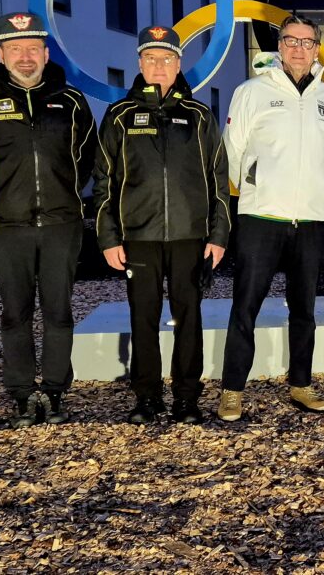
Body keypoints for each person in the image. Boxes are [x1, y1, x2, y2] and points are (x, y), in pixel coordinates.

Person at [0, 12, 97, 428]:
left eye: (33, 48)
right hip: (7, 226)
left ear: (46, 54)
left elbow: (85, 158)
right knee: (15, 313)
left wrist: (61, 192)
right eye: (15, 49)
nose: (25, 57)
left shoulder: (71, 102)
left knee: (58, 312)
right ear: (1, 54)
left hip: (61, 225)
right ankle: (20, 393)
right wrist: (3, 195)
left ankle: (54, 391)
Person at [92, 25, 230, 425]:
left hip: (190, 235)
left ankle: (187, 398)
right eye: (150, 58)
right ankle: (147, 397)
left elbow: (219, 179)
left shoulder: (199, 116)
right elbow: (103, 181)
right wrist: (108, 237)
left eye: (167, 58)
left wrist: (219, 234)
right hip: (139, 236)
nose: (159, 66)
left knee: (189, 317)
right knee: (143, 317)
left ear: (178, 64)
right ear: (139, 63)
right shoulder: (119, 116)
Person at [216, 14, 324, 422]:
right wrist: (252, 190)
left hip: (311, 219)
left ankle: (301, 384)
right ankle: (232, 389)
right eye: (291, 40)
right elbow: (232, 151)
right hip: (261, 216)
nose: (299, 48)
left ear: (317, 49)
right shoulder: (252, 91)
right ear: (279, 45)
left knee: (304, 309)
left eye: (307, 42)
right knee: (245, 306)